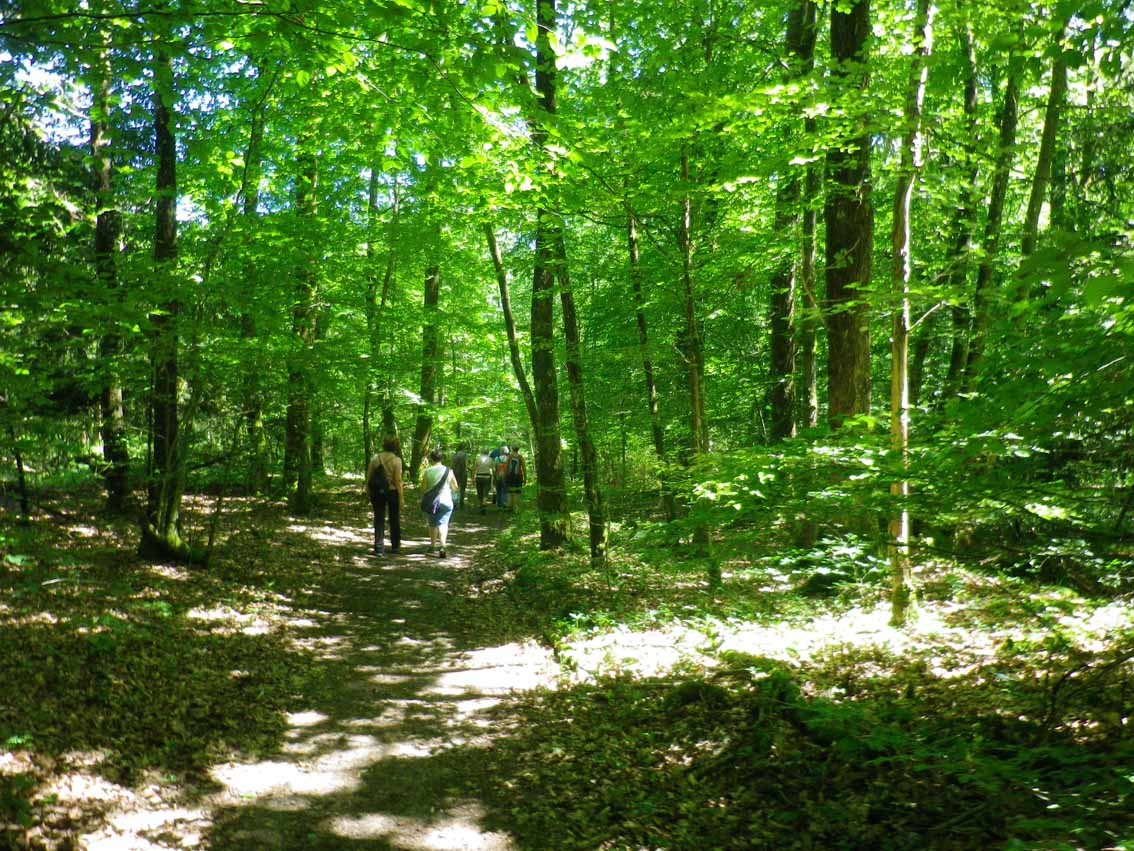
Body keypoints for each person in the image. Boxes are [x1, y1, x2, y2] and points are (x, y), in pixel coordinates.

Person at [366, 434, 404, 556]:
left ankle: (379, 548)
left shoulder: (375, 458)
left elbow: (369, 476)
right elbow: (398, 480)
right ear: (396, 446)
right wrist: (401, 496)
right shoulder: (397, 460)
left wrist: (367, 490)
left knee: (379, 519)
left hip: (377, 491)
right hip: (392, 491)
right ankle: (395, 546)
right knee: (394, 518)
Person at [419, 448, 459, 557]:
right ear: (442, 458)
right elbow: (455, 487)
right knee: (443, 524)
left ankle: (432, 546)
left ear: (432, 459)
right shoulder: (449, 471)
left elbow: (423, 489)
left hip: (432, 502)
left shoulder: (428, 471)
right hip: (446, 501)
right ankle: (442, 545)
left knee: (432, 523)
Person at [473, 448, 494, 514]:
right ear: (488, 452)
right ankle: (484, 503)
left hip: (479, 476)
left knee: (479, 491)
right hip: (487, 477)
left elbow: (474, 469)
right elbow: (493, 469)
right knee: (485, 491)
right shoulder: (490, 459)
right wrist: (494, 477)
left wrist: (473, 477)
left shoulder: (478, 459)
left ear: (481, 452)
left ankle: (481, 504)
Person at [505, 447, 527, 512]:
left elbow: (506, 466)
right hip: (518, 476)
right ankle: (516, 508)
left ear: (512, 449)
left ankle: (509, 506)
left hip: (510, 476)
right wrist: (525, 478)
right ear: (518, 449)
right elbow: (524, 468)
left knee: (509, 491)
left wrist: (505, 475)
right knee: (517, 492)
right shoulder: (520, 457)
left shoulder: (509, 457)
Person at [451, 446, 469, 510]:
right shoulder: (465, 455)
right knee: (462, 489)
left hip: (455, 473)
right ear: (463, 448)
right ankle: (461, 503)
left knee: (455, 487)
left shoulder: (454, 455)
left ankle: (454, 503)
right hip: (463, 473)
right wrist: (467, 469)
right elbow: (466, 464)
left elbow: (452, 464)